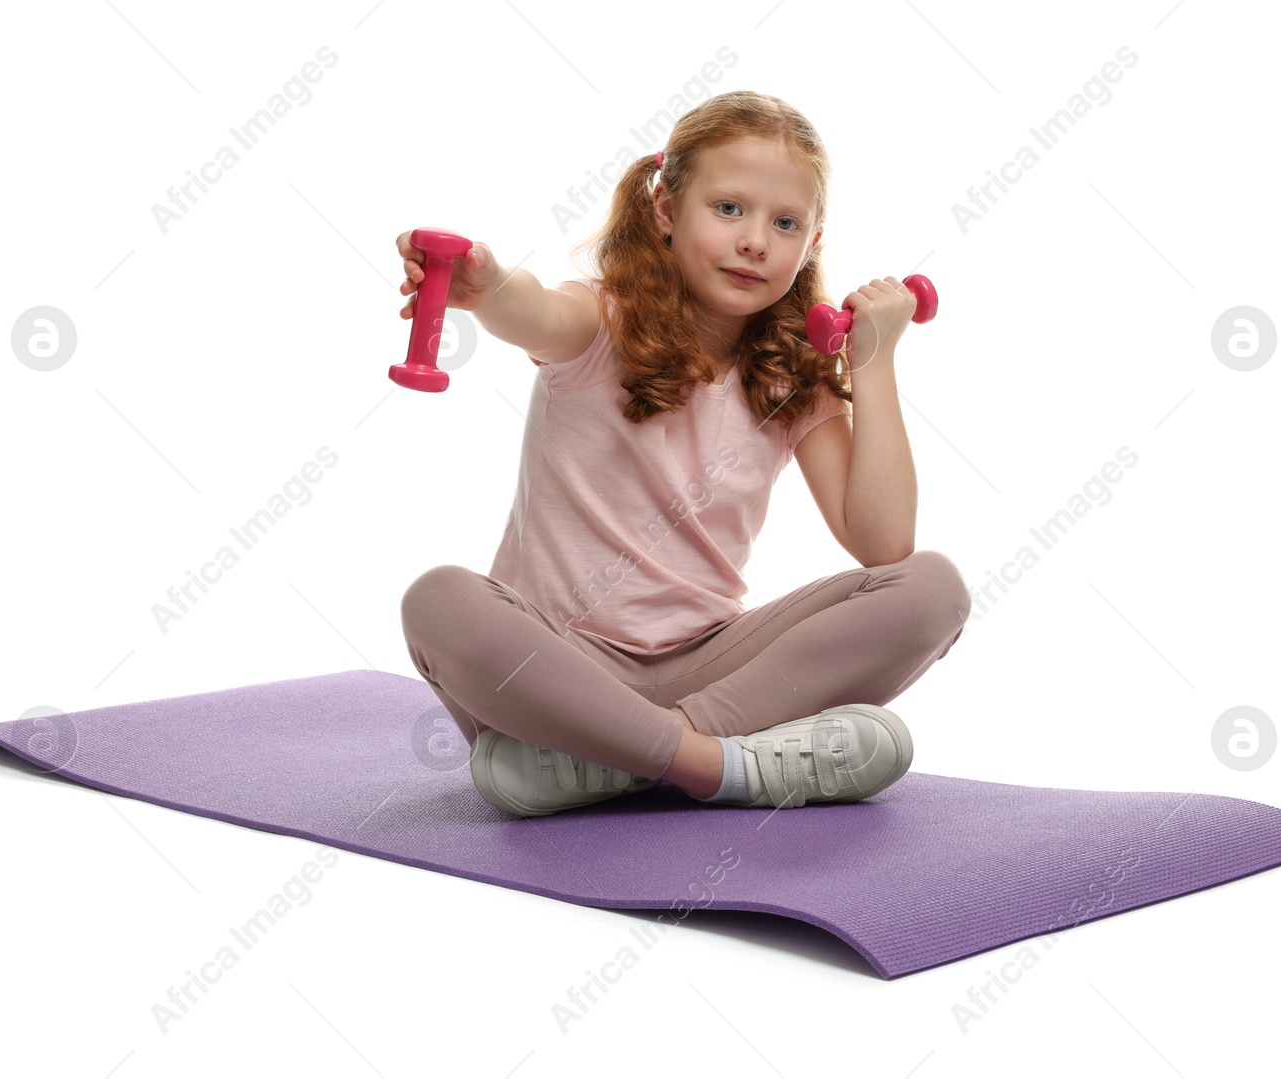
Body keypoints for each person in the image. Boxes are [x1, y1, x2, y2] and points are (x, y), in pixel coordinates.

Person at [397, 90, 970, 818]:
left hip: (713, 677)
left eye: (785, 222)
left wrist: (875, 361)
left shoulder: (790, 379)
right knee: (439, 600)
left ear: (813, 242)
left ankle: (625, 758)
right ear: (666, 210)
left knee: (933, 588)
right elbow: (529, 307)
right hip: (556, 675)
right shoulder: (598, 323)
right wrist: (488, 287)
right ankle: (713, 764)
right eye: (728, 208)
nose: (756, 240)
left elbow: (884, 542)